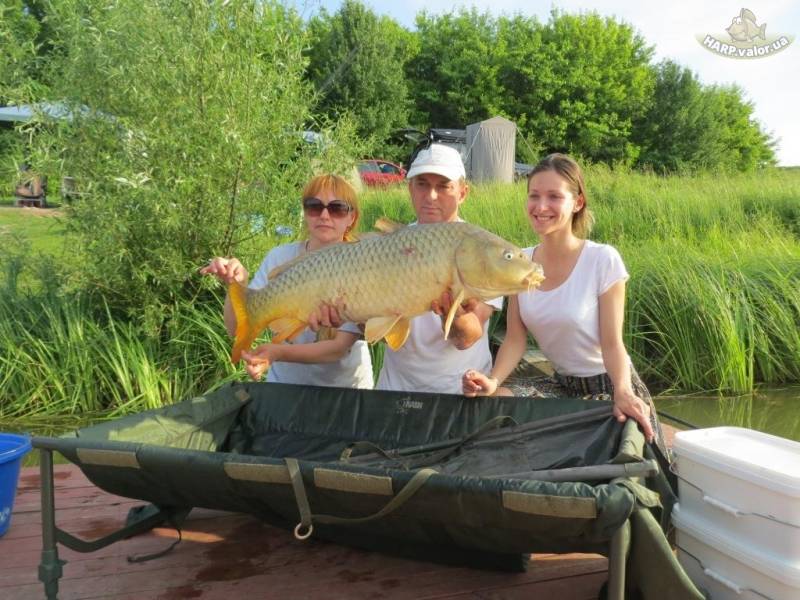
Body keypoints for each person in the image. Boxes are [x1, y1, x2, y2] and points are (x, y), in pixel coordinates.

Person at [462, 153, 660, 444]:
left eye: (554, 196)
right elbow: (515, 339)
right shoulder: (522, 261)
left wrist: (623, 391)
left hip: (609, 383)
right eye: (534, 196)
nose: (541, 207)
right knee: (494, 403)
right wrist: (492, 381)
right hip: (561, 385)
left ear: (577, 202)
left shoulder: (602, 259)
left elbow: (612, 343)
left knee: (609, 438)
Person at [312, 144, 502, 394]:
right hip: (394, 391)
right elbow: (372, 328)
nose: (431, 196)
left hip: (459, 392)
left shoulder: (479, 248)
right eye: (422, 184)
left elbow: (467, 338)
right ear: (410, 188)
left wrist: (451, 314)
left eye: (443, 186)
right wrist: (346, 315)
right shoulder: (385, 245)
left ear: (463, 193)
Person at [200, 173, 373, 388]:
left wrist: (277, 352)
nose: (325, 215)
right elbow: (236, 330)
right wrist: (237, 284)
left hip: (345, 391)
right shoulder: (279, 258)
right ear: (305, 212)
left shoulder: (363, 261)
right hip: (285, 388)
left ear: (351, 218)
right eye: (314, 206)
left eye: (337, 208)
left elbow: (337, 348)